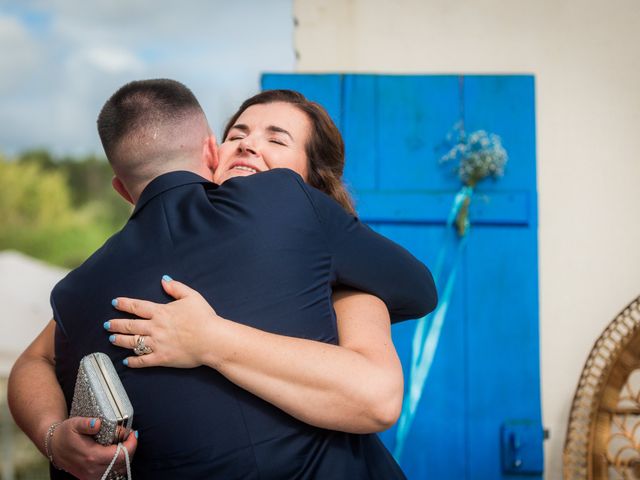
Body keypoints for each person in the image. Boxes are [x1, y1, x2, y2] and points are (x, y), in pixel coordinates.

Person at [8, 81, 436, 479]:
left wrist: (210, 339)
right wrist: (52, 437)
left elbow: (377, 396)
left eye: (276, 139)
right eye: (238, 134)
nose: (249, 144)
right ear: (212, 153)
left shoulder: (347, 278)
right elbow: (34, 361)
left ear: (311, 182)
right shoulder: (122, 271)